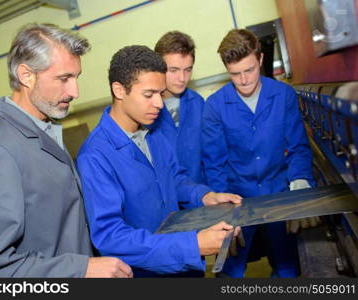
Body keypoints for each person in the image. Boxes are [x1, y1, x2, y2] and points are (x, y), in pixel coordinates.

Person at [0, 23, 132, 278]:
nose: (75, 92)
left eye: (76, 77)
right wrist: (81, 269)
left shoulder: (44, 130)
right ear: (26, 76)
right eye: (63, 79)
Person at [76, 45, 242, 277]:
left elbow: (173, 178)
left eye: (160, 94)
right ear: (119, 90)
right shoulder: (95, 156)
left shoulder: (153, 132)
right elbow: (111, 236)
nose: (159, 104)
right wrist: (191, 246)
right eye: (148, 94)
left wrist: (204, 196)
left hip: (184, 265)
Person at [202, 29, 315, 278]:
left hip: (279, 194)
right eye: (235, 74)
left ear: (261, 60)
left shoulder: (283, 95)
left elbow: (298, 147)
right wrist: (221, 212)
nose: (243, 80)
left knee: (288, 268)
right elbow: (215, 164)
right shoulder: (215, 106)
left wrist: (300, 184)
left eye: (249, 70)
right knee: (230, 272)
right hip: (238, 201)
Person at [153, 31, 206, 183]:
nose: (182, 79)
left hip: (202, 197)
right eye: (173, 70)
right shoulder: (146, 112)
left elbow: (211, 157)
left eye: (187, 70)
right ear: (158, 67)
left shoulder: (198, 104)